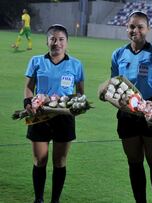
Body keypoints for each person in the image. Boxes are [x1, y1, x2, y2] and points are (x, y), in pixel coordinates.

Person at [110, 11, 152, 203]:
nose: (135, 30)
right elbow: (114, 82)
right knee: (134, 162)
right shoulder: (118, 54)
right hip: (127, 113)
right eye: (131, 26)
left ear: (148, 29)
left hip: (151, 111)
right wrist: (117, 100)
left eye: (140, 27)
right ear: (126, 28)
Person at [24, 24, 85, 203]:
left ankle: (55, 200)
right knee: (40, 160)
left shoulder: (76, 64)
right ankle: (39, 199)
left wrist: (77, 104)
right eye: (52, 39)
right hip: (39, 116)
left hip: (64, 118)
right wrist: (28, 103)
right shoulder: (36, 61)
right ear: (47, 41)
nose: (56, 43)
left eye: (60, 39)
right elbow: (28, 87)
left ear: (67, 43)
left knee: (60, 161)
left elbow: (80, 92)